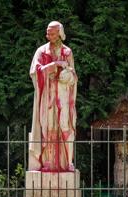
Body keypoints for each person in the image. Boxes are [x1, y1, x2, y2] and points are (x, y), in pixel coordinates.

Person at [28, 21, 77, 172]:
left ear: (60, 34)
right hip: (47, 96)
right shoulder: (41, 51)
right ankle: (47, 161)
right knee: (48, 127)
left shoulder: (67, 52)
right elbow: (34, 72)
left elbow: (73, 76)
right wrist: (54, 65)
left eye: (52, 33)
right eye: (48, 33)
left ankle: (68, 162)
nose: (48, 35)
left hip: (62, 95)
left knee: (65, 126)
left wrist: (66, 75)